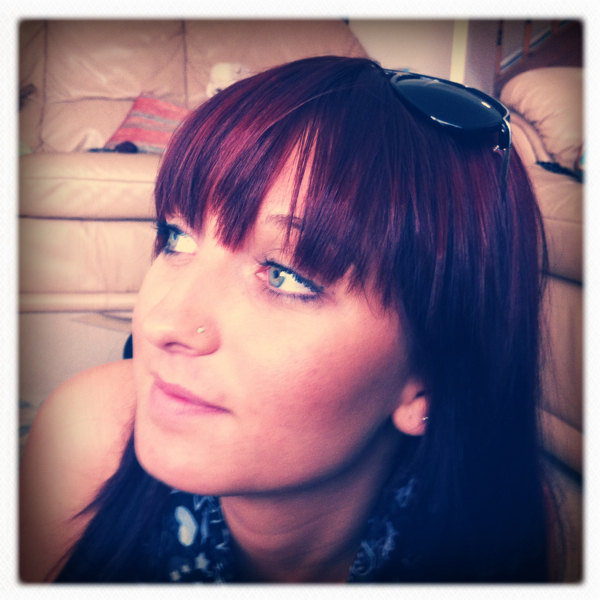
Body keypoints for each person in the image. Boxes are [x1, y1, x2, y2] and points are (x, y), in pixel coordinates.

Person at [19, 55, 554, 583]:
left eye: (285, 275)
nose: (164, 326)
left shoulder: (498, 547)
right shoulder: (84, 439)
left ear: (430, 380)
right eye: (177, 237)